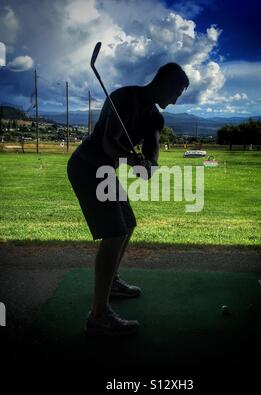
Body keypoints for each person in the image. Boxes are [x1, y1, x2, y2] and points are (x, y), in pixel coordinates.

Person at [67, 62, 189, 336]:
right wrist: (132, 160)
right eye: (177, 92)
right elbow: (110, 142)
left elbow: (152, 148)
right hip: (87, 165)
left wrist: (149, 165)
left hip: (105, 170)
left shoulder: (155, 118)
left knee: (128, 223)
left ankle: (112, 283)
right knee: (114, 233)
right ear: (165, 83)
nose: (177, 98)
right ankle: (98, 315)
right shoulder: (124, 97)